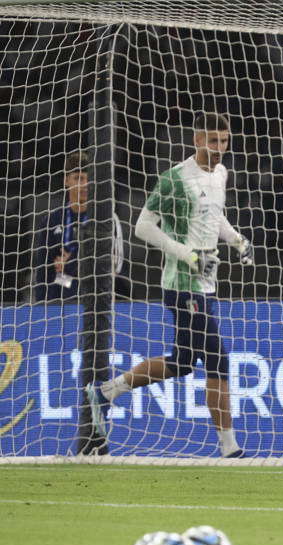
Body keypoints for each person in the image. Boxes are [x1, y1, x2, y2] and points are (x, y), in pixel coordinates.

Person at [84, 112, 253, 458]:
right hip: (181, 282)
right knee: (219, 359)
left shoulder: (221, 173)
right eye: (212, 140)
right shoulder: (175, 179)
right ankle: (229, 449)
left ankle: (105, 392)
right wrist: (188, 255)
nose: (219, 148)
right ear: (196, 139)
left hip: (206, 281)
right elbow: (143, 227)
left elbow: (213, 214)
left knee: (182, 363)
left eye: (224, 141)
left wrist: (237, 240)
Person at [33, 150, 124, 302]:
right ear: (66, 180)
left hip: (98, 299)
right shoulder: (51, 221)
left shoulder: (107, 219)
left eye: (88, 179)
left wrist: (70, 264)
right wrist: (42, 309)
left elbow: (115, 267)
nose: (84, 185)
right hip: (59, 301)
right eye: (78, 178)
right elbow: (44, 273)